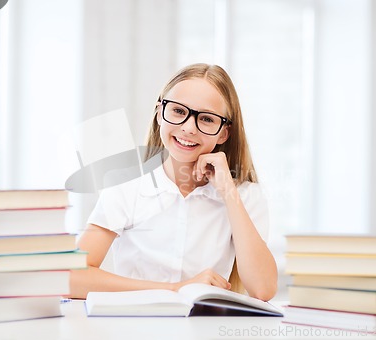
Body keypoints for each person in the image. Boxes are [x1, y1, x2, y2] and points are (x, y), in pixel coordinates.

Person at [69, 63, 277, 301]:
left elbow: (263, 290)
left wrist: (228, 190)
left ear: (223, 133)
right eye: (178, 111)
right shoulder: (128, 184)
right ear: (159, 113)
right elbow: (72, 277)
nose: (189, 128)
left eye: (207, 119)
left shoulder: (245, 194)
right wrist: (177, 288)